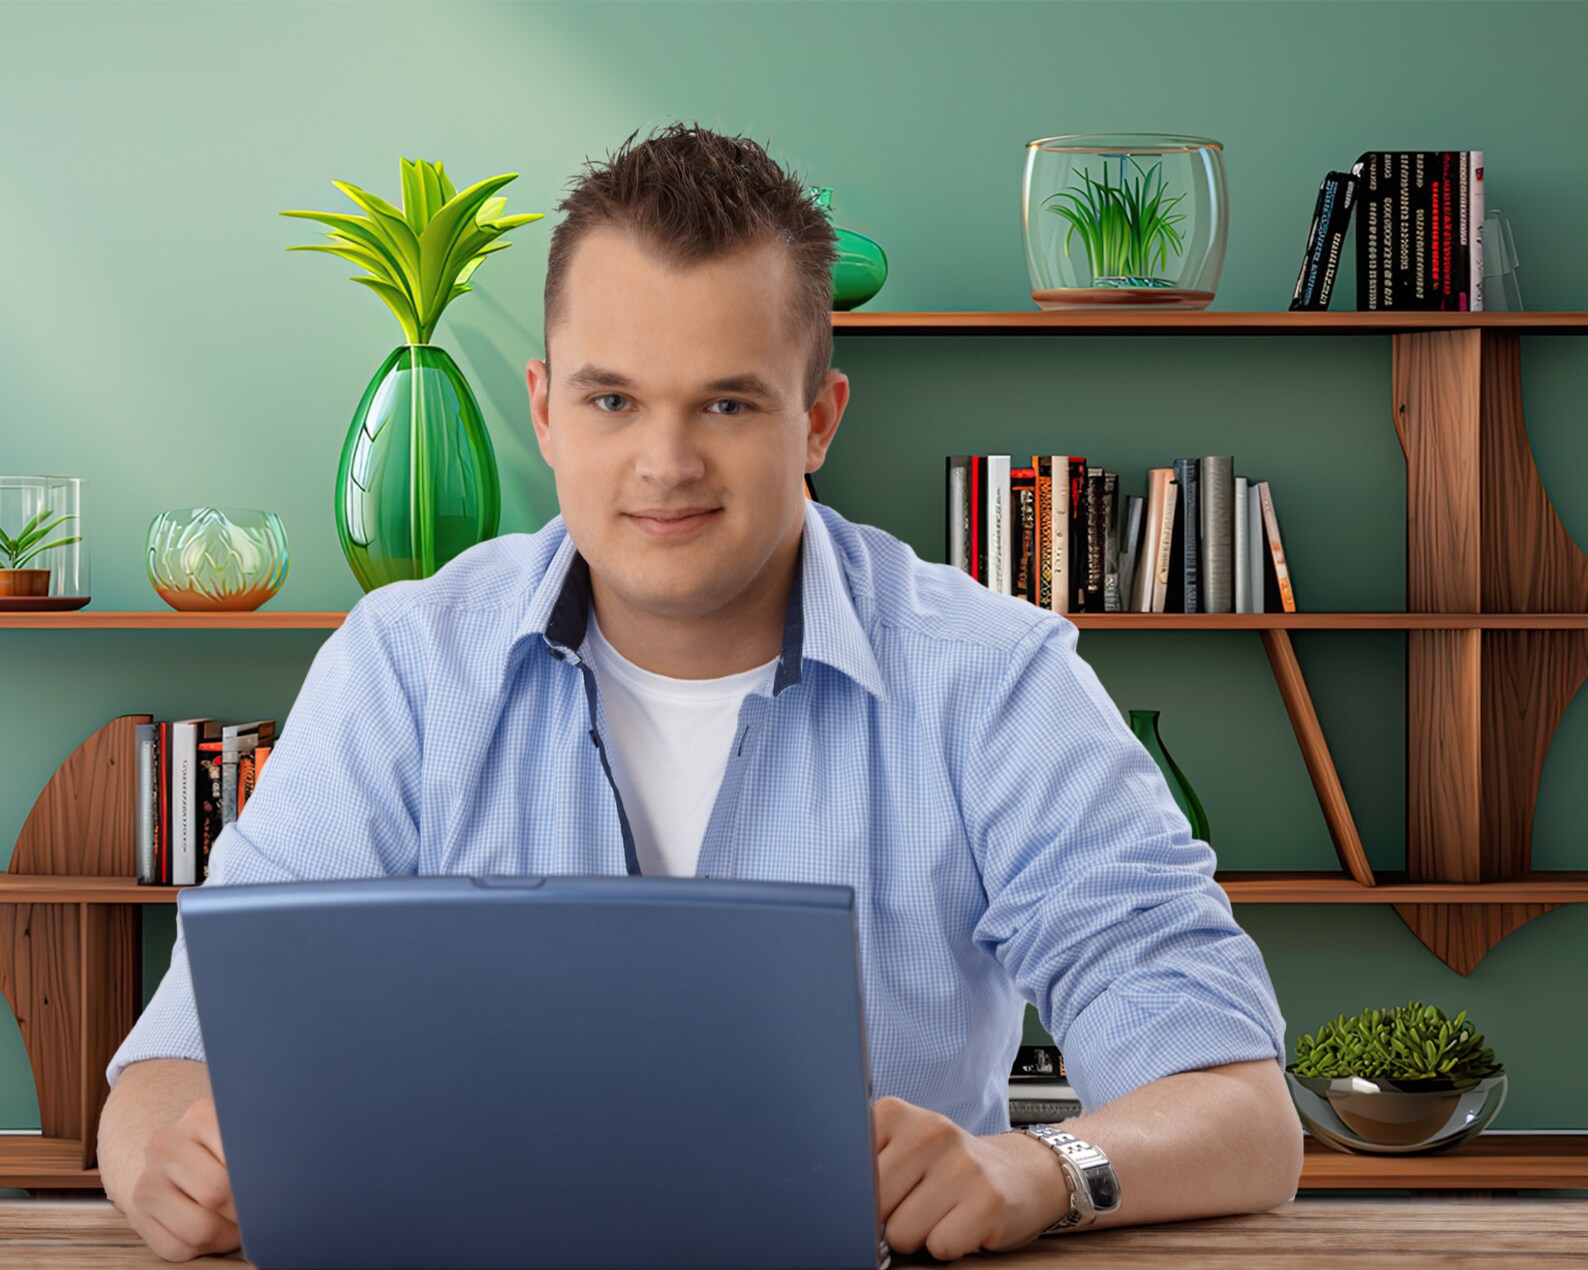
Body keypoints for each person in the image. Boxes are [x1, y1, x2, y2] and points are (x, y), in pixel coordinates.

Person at [97, 120, 1303, 1264]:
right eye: (612, 400)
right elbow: (165, 1071)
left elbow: (1244, 1116)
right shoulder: (405, 665)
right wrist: (170, 1153)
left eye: (726, 403)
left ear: (818, 420)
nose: (663, 464)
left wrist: (1039, 1170)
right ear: (545, 411)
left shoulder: (992, 676)